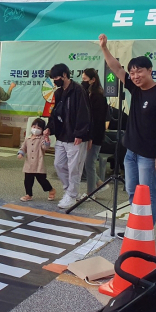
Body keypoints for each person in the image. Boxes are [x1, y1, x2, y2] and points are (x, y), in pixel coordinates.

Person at [99, 34, 156, 232]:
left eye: (139, 71)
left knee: (147, 193)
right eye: (132, 73)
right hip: (131, 151)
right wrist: (104, 48)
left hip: (148, 155)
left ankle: (145, 232)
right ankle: (137, 226)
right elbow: (116, 68)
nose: (135, 76)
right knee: (132, 191)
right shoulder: (136, 89)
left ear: (150, 70)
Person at [43, 63, 91, 209]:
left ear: (64, 75)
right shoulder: (58, 93)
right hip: (62, 136)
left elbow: (84, 114)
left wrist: (80, 133)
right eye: (52, 78)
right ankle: (69, 191)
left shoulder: (78, 90)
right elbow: (55, 113)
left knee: (74, 168)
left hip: (75, 137)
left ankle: (71, 195)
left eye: (56, 77)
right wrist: (49, 128)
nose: (54, 80)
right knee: (58, 164)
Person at [80, 68, 110, 199]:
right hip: (90, 133)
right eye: (82, 79)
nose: (83, 82)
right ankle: (100, 184)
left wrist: (91, 137)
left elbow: (97, 119)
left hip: (95, 134)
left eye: (85, 79)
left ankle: (90, 193)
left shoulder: (98, 96)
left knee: (90, 163)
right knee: (87, 163)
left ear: (93, 80)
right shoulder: (89, 93)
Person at [18, 118, 56, 202]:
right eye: (34, 127)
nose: (35, 129)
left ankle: (51, 190)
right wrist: (21, 153)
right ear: (31, 127)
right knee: (28, 180)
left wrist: (46, 139)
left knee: (42, 180)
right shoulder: (27, 138)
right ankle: (28, 194)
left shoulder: (42, 138)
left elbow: (45, 147)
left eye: (39, 128)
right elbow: (23, 147)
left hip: (39, 163)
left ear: (43, 130)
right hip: (29, 164)